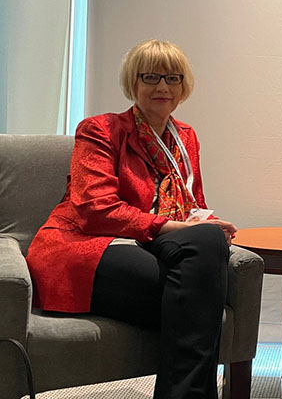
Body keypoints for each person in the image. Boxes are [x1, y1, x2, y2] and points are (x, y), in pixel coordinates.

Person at [26, 39, 236, 399]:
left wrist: (208, 222)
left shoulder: (185, 137)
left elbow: (191, 203)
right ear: (132, 82)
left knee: (208, 243)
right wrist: (178, 228)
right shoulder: (100, 129)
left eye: (172, 77)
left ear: (183, 85)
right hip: (86, 244)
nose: (162, 87)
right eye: (150, 77)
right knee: (200, 301)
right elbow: (95, 210)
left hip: (147, 243)